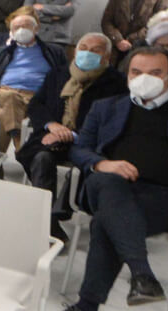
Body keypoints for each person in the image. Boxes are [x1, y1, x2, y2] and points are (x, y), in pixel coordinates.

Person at [43, 46, 168, 311]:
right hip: (105, 185)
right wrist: (103, 163)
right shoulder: (106, 107)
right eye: (136, 72)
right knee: (107, 183)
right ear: (128, 75)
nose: (144, 78)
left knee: (106, 221)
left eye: (155, 73)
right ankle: (141, 273)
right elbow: (80, 149)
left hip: (165, 198)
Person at [16, 33, 128, 242]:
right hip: (52, 136)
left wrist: (73, 135)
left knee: (85, 166)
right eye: (83, 48)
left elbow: (113, 121)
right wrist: (52, 125)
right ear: (75, 51)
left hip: (90, 142)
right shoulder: (58, 74)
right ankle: (47, 220)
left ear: (106, 57)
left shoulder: (117, 83)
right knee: (41, 158)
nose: (87, 53)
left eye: (95, 50)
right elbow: (36, 105)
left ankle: (54, 215)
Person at [0, 9, 66, 152]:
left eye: (26, 26)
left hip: (38, 97)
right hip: (5, 92)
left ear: (36, 28)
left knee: (4, 112)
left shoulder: (54, 51)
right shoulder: (1, 52)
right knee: (9, 97)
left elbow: (64, 76)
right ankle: (19, 144)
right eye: (16, 27)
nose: (21, 30)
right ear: (11, 31)